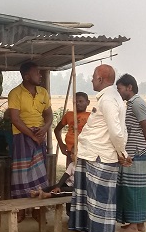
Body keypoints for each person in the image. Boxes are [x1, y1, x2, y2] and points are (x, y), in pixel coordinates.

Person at [68, 65, 129, 232]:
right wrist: (121, 152)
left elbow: (117, 132)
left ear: (101, 79)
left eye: (94, 77)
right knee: (104, 202)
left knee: (97, 203)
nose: (92, 80)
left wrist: (122, 152)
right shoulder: (111, 97)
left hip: (99, 157)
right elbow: (119, 130)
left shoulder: (109, 99)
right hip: (99, 155)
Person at [115, 74, 146, 232]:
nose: (118, 92)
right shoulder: (132, 103)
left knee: (132, 188)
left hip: (136, 152)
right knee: (137, 188)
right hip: (136, 152)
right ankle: (138, 223)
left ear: (129, 88)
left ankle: (134, 226)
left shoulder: (137, 103)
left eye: (120, 88)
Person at [7, 62, 53, 221]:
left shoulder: (43, 93)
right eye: (36, 73)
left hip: (39, 134)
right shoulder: (15, 93)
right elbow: (15, 119)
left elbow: (49, 114)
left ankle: (37, 209)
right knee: (21, 174)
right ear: (26, 76)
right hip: (22, 136)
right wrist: (32, 136)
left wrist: (45, 128)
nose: (40, 75)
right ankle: (20, 210)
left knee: (39, 173)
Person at [54, 92, 90, 164]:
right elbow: (57, 130)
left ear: (88, 102)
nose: (78, 104)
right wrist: (61, 145)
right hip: (70, 151)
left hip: (85, 150)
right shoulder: (69, 115)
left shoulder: (91, 116)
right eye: (75, 102)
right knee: (71, 169)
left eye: (80, 101)